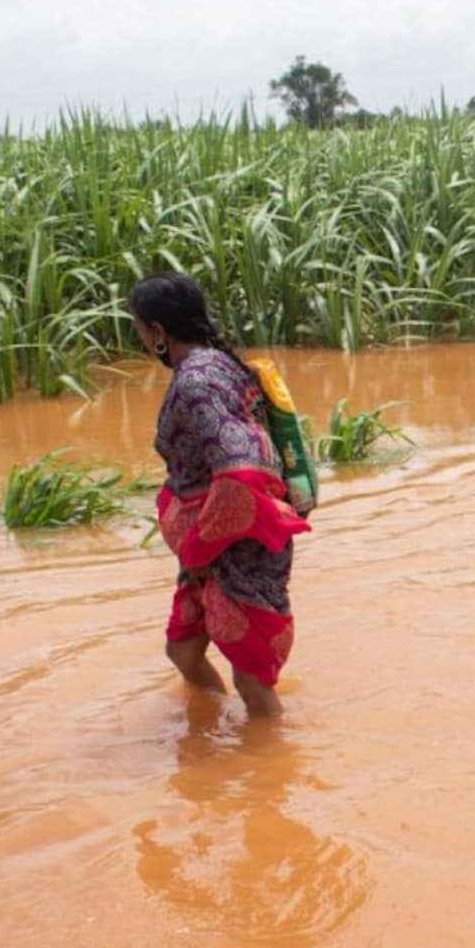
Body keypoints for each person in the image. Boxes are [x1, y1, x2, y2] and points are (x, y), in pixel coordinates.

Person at [131, 271, 312, 719]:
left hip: (233, 548)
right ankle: (215, 727)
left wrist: (199, 546)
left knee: (252, 676)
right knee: (183, 651)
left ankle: (269, 770)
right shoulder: (216, 363)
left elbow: (241, 473)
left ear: (157, 331)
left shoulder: (197, 384)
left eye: (137, 328)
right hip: (210, 550)